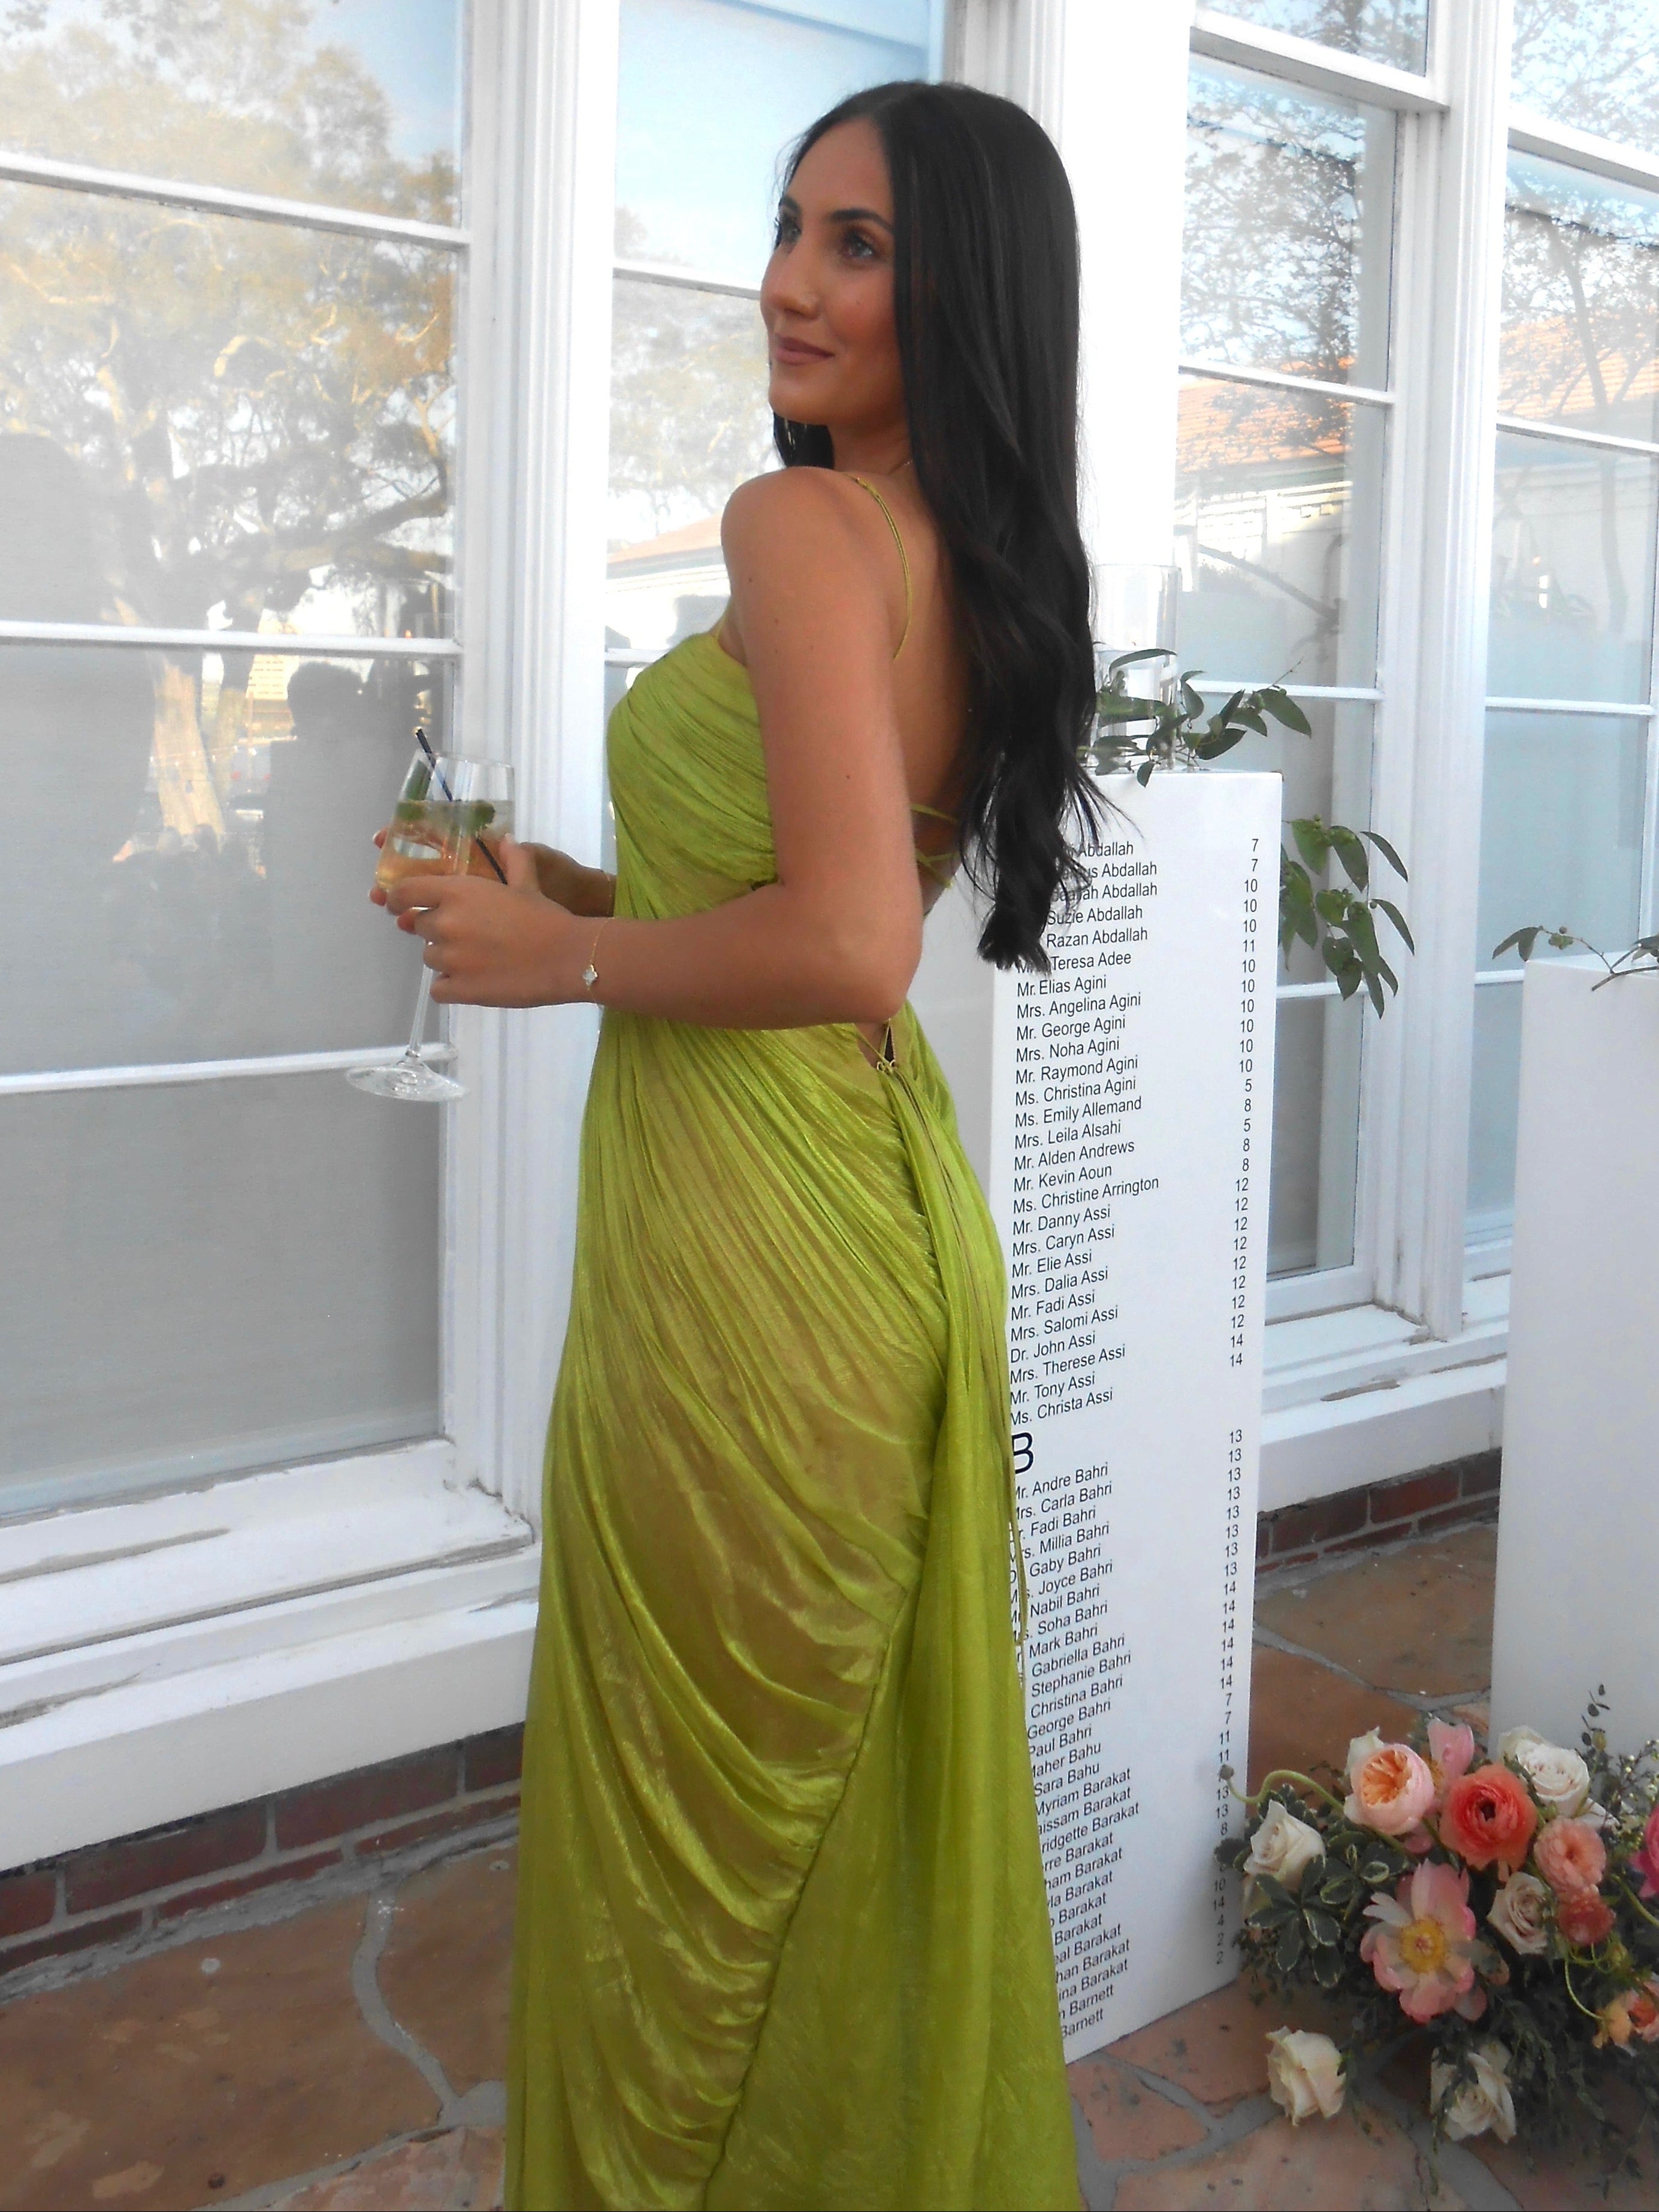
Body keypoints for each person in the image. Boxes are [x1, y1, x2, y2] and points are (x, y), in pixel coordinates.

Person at [379, 80, 1101, 2211]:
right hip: (863, 1222)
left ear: (962, 291)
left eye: (855, 244)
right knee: (815, 1830)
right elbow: (814, 896)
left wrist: (564, 967)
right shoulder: (963, 555)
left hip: (753, 1269)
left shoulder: (799, 528)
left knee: (692, 1853)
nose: (787, 281)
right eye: (789, 225)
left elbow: (856, 942)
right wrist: (585, 899)